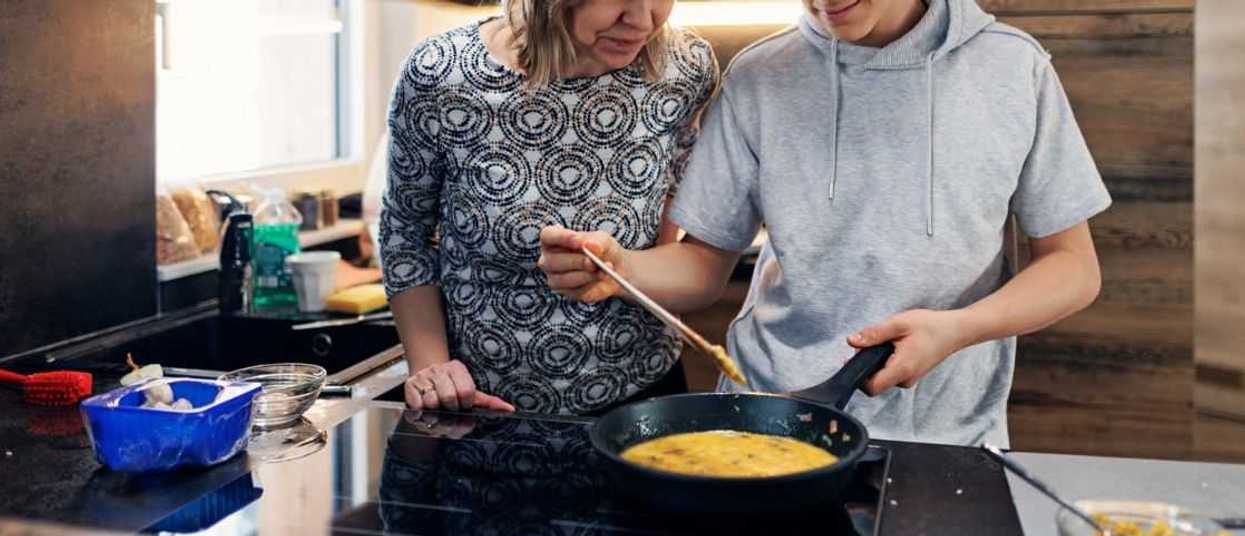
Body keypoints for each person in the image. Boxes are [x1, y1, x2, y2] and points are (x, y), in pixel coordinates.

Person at [540, 0, 1106, 446]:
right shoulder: (760, 74)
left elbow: (1073, 267)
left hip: (948, 434)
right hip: (769, 415)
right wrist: (624, 269)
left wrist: (956, 329)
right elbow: (703, 266)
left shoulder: (1013, 66)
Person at [380, 0, 717, 415]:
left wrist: (624, 266)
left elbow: (670, 237)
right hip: (482, 405)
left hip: (644, 397)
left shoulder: (684, 69)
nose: (643, 21)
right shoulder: (440, 74)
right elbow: (404, 234)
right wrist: (433, 368)